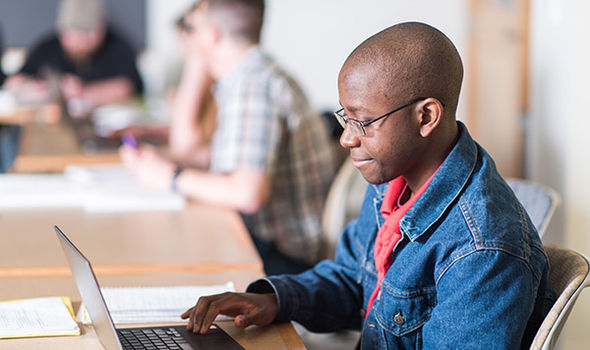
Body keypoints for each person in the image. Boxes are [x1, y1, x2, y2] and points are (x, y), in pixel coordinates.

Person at [180, 22, 555, 349]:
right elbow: (353, 279)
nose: (345, 139)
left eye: (362, 121)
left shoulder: (482, 250)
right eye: (346, 117)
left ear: (426, 117)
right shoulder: (393, 178)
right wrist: (274, 301)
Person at [121, 0, 336, 275]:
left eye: (191, 27)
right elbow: (233, 160)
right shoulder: (250, 76)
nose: (186, 36)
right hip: (263, 242)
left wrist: (170, 177)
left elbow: (247, 193)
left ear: (211, 35)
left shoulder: (252, 85)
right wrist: (164, 162)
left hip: (280, 260)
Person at [4, 0, 143, 117]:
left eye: (86, 37)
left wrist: (85, 92)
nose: (78, 44)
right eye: (72, 36)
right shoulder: (48, 47)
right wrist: (41, 88)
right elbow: (13, 82)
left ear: (101, 31)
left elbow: (129, 87)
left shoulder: (118, 47)